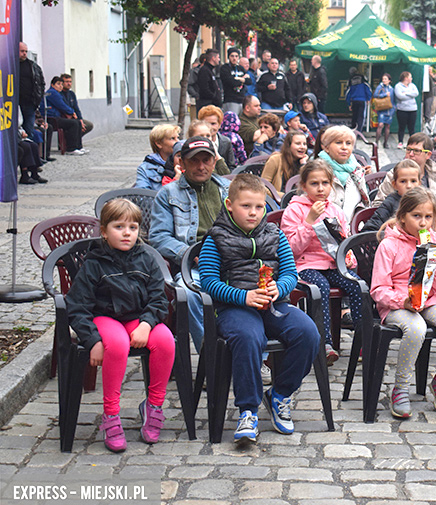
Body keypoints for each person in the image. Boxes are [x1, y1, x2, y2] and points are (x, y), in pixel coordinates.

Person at [199, 173, 320, 442]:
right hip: (234, 308)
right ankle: (248, 410)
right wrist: (243, 297)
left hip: (274, 304)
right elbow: (207, 281)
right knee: (249, 337)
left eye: (259, 206)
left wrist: (281, 287)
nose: (253, 213)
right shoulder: (215, 238)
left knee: (308, 333)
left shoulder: (275, 234)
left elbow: (290, 272)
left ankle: (279, 394)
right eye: (246, 206)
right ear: (230, 205)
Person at [66, 199, 175, 452]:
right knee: (116, 344)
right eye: (119, 227)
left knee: (166, 341)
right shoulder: (94, 263)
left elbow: (159, 299)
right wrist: (92, 340)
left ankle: (154, 406)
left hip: (138, 318)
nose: (127, 233)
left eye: (133, 227)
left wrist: (147, 324)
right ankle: (111, 415)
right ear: (104, 231)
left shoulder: (147, 258)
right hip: (105, 318)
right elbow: (77, 306)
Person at [370, 187, 436, 418]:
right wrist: (402, 301)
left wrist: (434, 263)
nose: (423, 222)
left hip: (430, 299)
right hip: (397, 303)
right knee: (416, 328)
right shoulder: (389, 245)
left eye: (428, 217)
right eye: (416, 216)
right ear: (403, 216)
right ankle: (401, 387)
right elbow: (378, 289)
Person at [150, 137, 231, 353]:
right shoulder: (168, 194)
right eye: (195, 161)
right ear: (182, 163)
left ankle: (257, 357)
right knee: (189, 293)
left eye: (206, 160)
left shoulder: (229, 190)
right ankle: (211, 358)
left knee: (261, 285)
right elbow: (159, 237)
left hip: (233, 263)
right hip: (193, 267)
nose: (201, 166)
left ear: (214, 162)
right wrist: (190, 253)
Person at [281, 159, 365, 365]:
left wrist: (348, 257)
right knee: (321, 287)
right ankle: (324, 343)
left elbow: (343, 240)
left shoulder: (335, 210)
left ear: (331, 184)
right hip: (305, 265)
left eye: (325, 183)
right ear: (303, 186)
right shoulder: (295, 210)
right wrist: (309, 221)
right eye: (314, 184)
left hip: (333, 264)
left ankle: (363, 340)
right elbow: (291, 248)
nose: (320, 189)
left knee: (357, 285)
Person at [363, 160, 436, 252]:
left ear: (419, 183)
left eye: (413, 181)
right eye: (403, 181)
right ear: (394, 184)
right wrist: (389, 245)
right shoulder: (390, 202)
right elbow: (369, 230)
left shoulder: (426, 203)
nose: (409, 186)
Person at [374, 133, 436, 218]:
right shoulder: (394, 174)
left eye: (416, 151)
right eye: (408, 150)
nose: (411, 154)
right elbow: (378, 204)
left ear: (428, 155)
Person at [316, 125, 370, 221]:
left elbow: (364, 201)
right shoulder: (317, 170)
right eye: (338, 142)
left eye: (348, 143)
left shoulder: (357, 170)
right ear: (326, 147)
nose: (344, 147)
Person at [41, 76, 86, 155]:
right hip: (51, 118)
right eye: (58, 84)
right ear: (52, 85)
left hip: (55, 117)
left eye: (62, 84)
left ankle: (78, 147)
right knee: (74, 124)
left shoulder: (58, 93)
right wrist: (72, 112)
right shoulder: (53, 93)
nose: (60, 86)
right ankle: (71, 148)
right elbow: (62, 106)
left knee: (77, 122)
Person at [136, 124, 180, 190]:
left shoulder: (184, 162)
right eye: (172, 138)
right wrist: (176, 181)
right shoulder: (145, 169)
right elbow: (142, 195)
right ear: (158, 144)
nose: (178, 142)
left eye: (178, 137)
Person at [19, 42, 46, 139]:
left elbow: (41, 83)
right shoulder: (10, 65)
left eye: (26, 51)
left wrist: (37, 99)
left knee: (29, 130)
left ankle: (29, 152)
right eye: (22, 51)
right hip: (15, 104)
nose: (24, 53)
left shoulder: (33, 66)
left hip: (30, 103)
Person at [198, 105, 238, 171]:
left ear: (219, 125)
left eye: (213, 124)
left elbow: (232, 167)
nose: (210, 127)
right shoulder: (196, 141)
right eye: (206, 124)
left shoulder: (226, 142)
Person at [394, 71, 419, 149]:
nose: (411, 78)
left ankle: (412, 143)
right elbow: (400, 96)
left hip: (412, 109)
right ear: (406, 78)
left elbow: (416, 93)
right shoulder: (398, 86)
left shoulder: (413, 85)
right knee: (402, 127)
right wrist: (410, 94)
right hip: (402, 109)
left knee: (412, 128)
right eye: (410, 77)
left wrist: (406, 93)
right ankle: (400, 142)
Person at [219, 47, 248, 115]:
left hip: (241, 99)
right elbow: (231, 82)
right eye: (232, 56)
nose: (234, 58)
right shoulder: (225, 68)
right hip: (231, 99)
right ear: (229, 57)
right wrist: (243, 79)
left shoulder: (240, 68)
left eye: (236, 56)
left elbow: (249, 81)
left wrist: (239, 79)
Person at [345, 67, 372, 132]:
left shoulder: (350, 80)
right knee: (361, 117)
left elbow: (348, 93)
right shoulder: (363, 78)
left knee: (354, 116)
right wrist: (368, 98)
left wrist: (349, 103)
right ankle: (359, 132)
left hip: (354, 101)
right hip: (362, 100)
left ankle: (353, 131)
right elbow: (368, 89)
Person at [373, 73, 395, 149]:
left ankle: (385, 143)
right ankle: (376, 142)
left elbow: (393, 100)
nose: (384, 80)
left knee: (387, 126)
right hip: (382, 109)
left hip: (389, 110)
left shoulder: (391, 89)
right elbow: (375, 95)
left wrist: (394, 108)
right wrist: (384, 95)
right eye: (383, 79)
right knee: (380, 125)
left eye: (385, 79)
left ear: (389, 80)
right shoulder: (380, 87)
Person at [188, 54, 206, 120]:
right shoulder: (195, 72)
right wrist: (196, 95)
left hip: (205, 100)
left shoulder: (211, 71)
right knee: (195, 120)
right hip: (195, 101)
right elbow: (189, 85)